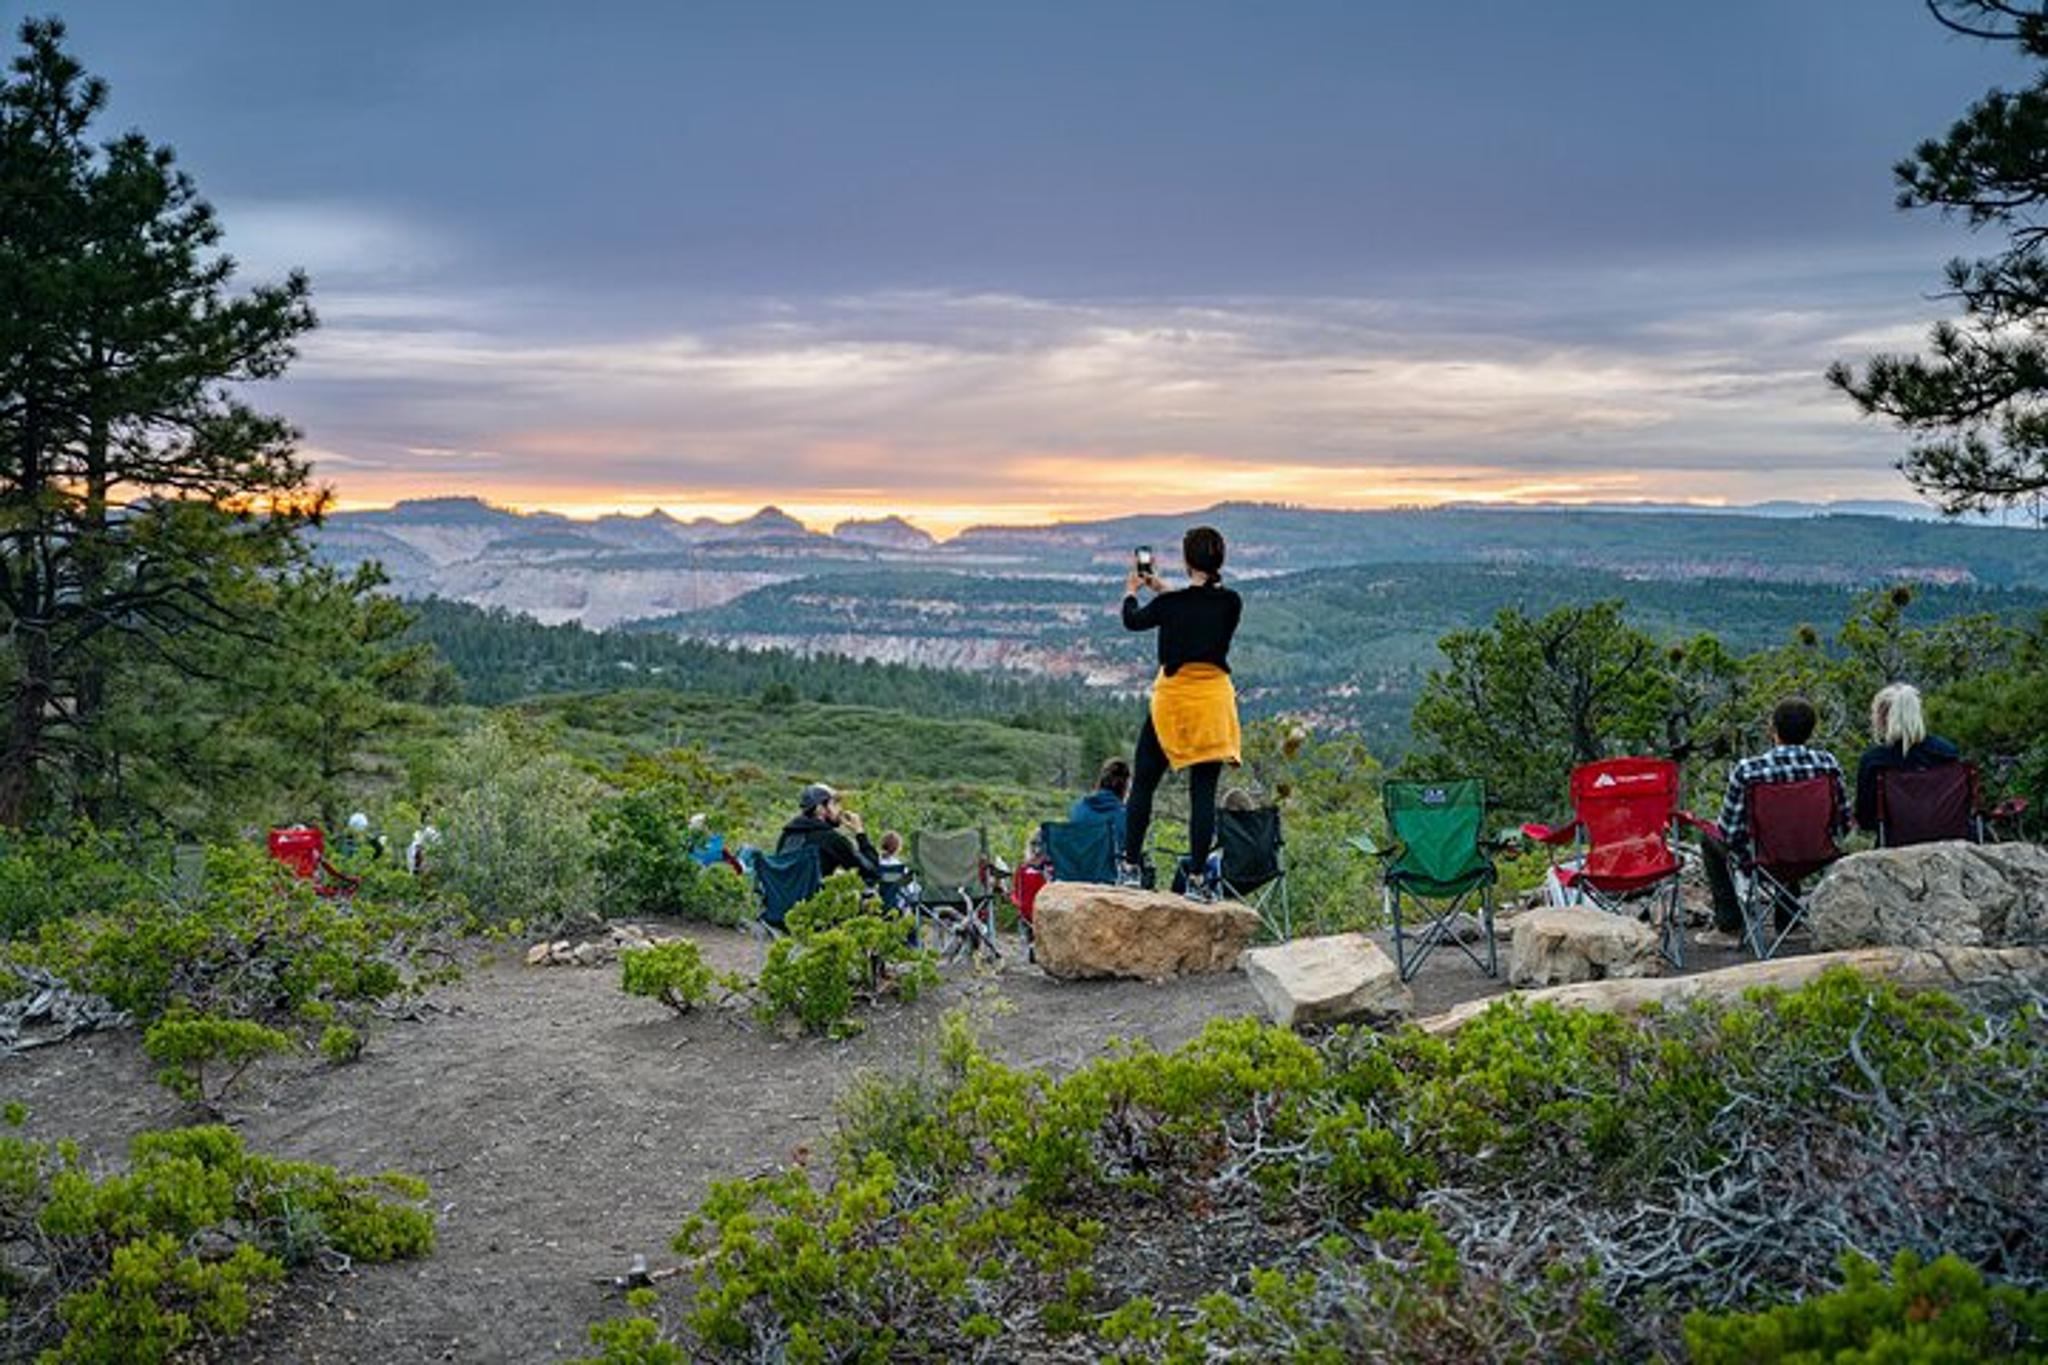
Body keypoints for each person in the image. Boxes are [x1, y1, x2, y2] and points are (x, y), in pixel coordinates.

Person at [1119, 526, 1244, 898]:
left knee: (1143, 783)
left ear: (1187, 560)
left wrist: (1132, 590)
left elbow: (1133, 620)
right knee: (1202, 796)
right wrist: (1162, 589)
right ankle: (1197, 880)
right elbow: (1199, 607)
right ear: (1219, 560)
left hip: (1173, 704)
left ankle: (1129, 866)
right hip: (1212, 704)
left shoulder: (1171, 607)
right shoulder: (1232, 602)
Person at [1697, 697, 1848, 946]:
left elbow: (1729, 831)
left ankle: (1729, 926)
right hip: (1816, 855)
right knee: (1794, 832)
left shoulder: (1749, 770)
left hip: (1766, 860)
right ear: (1811, 731)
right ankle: (1790, 922)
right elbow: (1842, 820)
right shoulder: (1828, 764)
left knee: (1710, 840)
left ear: (1773, 730)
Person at [1854, 682, 1960, 832]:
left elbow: (1866, 820)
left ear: (1882, 718)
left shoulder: (1874, 761)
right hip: (1948, 840)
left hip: (1896, 844)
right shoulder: (1947, 752)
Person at [776, 782, 882, 882]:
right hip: (816, 900)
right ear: (820, 809)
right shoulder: (831, 839)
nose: (840, 809)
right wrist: (860, 832)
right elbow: (872, 871)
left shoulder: (786, 836)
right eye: (835, 803)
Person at [1069, 758, 1132, 856]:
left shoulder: (1077, 808)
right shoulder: (1124, 816)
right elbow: (1127, 848)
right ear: (1124, 786)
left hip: (1077, 867)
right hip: (1108, 869)